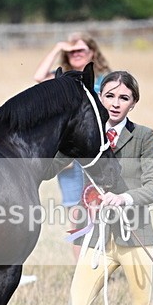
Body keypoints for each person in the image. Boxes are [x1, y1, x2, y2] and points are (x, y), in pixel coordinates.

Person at [45, 71, 153, 305]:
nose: (115, 103)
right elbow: (50, 166)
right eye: (110, 95)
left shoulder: (143, 137)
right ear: (100, 98)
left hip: (134, 238)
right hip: (96, 239)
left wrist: (124, 199)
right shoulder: (85, 134)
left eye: (124, 98)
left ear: (133, 103)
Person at [33, 32, 112, 257]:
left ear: (92, 52)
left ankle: (105, 261)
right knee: (76, 212)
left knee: (102, 208)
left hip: (98, 153)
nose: (76, 54)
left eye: (81, 50)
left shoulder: (106, 79)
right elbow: (39, 77)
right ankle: (83, 267)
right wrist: (59, 47)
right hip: (70, 156)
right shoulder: (64, 81)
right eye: (72, 51)